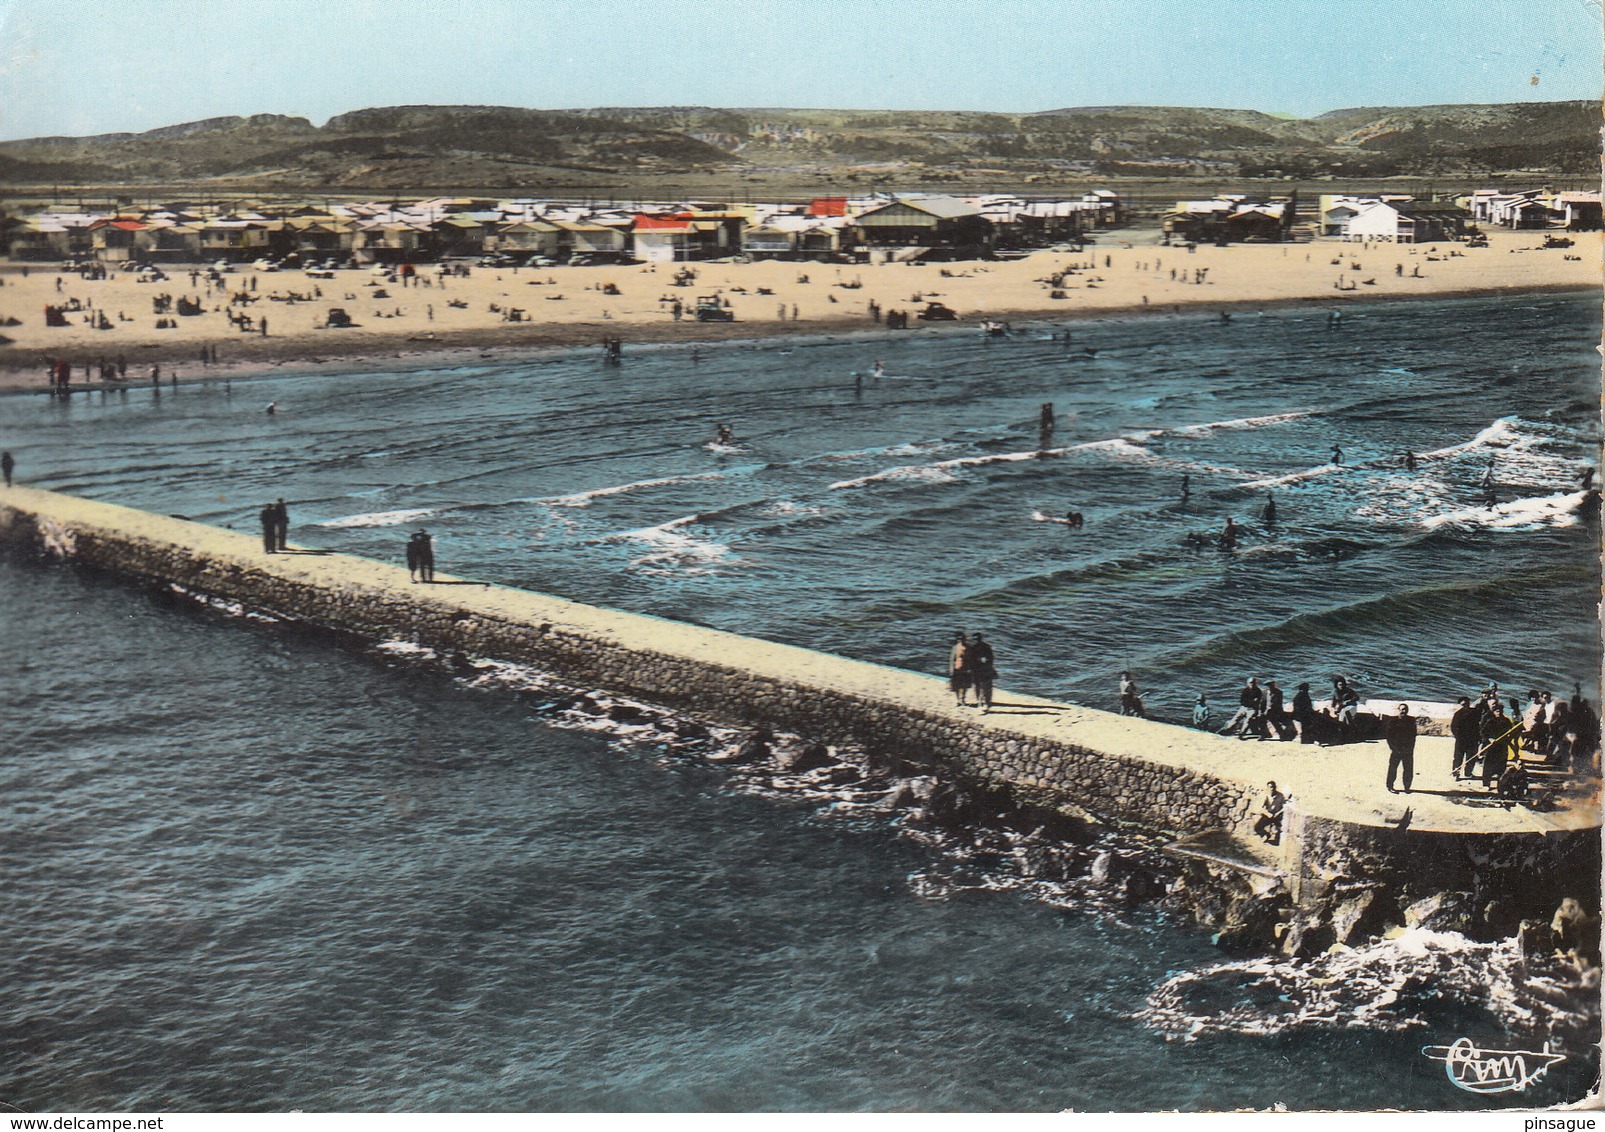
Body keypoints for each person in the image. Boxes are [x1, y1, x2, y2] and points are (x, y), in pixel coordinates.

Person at [1384, 703, 1417, 793]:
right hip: (1396, 749)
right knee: (1393, 768)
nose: (1403, 711)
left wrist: (1411, 748)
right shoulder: (1393, 721)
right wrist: (1393, 747)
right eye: (1402, 709)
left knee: (1408, 769)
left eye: (1405, 709)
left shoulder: (1411, 720)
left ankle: (1407, 787)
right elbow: (1389, 736)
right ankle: (1390, 786)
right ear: (1398, 710)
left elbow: (1413, 735)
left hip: (1408, 749)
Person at [1450, 696, 1480, 779]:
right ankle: (1456, 774)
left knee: (1471, 757)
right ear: (1460, 705)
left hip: (1472, 739)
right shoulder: (1458, 714)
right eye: (1463, 704)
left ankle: (1468, 773)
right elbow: (1453, 727)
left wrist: (1478, 737)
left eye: (1467, 704)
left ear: (1469, 703)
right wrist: (1458, 737)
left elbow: (1479, 725)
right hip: (1461, 740)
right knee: (1458, 757)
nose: (1465, 706)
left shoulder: (1475, 712)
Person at [969, 634, 996, 713]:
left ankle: (980, 702)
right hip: (984, 670)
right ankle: (985, 702)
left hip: (978, 670)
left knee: (979, 686)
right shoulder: (986, 646)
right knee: (986, 687)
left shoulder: (973, 648)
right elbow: (991, 659)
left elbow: (971, 660)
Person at [948, 632, 972, 707]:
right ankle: (958, 700)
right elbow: (952, 659)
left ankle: (963, 699)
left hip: (966, 669)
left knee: (965, 685)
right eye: (959, 639)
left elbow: (971, 659)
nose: (960, 640)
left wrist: (970, 668)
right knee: (956, 686)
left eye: (962, 639)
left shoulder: (968, 648)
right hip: (957, 669)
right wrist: (951, 669)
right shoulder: (955, 648)